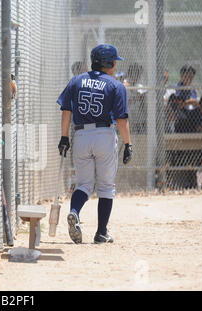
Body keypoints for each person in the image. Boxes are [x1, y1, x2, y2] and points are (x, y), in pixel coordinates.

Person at [57, 44, 132, 244]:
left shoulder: (76, 81)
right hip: (104, 135)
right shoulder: (115, 85)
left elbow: (66, 111)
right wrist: (128, 144)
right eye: (114, 61)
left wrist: (64, 137)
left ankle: (74, 211)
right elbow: (122, 120)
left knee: (84, 184)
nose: (115, 65)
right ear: (109, 63)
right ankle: (101, 233)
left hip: (81, 135)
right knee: (106, 186)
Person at [124, 63, 147, 134]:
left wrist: (141, 97)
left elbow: (143, 98)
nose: (137, 78)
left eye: (138, 75)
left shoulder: (139, 86)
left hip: (139, 119)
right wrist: (136, 98)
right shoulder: (123, 86)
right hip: (127, 118)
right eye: (136, 75)